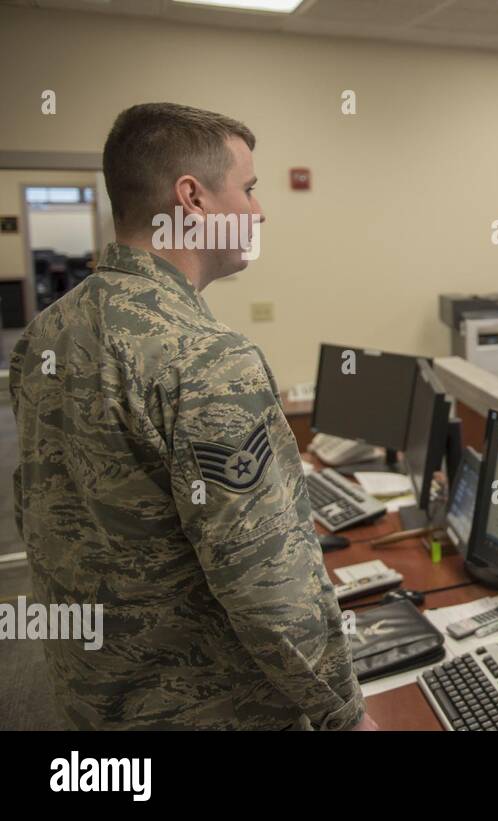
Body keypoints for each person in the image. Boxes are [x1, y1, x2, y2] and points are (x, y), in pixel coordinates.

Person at [9, 103, 372, 730]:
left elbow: (36, 506)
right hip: (212, 707)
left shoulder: (48, 331)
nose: (259, 212)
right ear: (193, 200)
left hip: (96, 698)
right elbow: (271, 585)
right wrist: (345, 714)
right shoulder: (206, 359)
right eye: (250, 188)